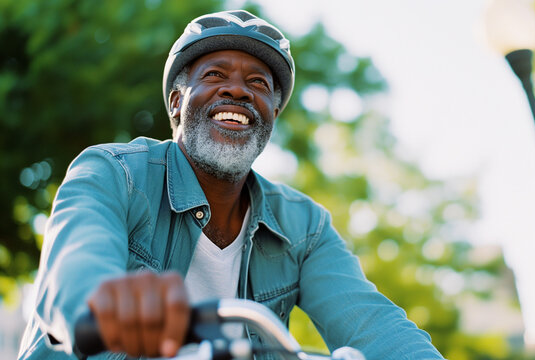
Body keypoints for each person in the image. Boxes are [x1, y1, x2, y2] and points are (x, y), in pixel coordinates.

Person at [18, 10, 445, 360]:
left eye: (258, 83)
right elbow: (74, 273)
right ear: (176, 102)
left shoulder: (305, 227)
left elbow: (373, 325)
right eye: (215, 74)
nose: (237, 90)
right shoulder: (114, 173)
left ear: (273, 114)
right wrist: (109, 302)